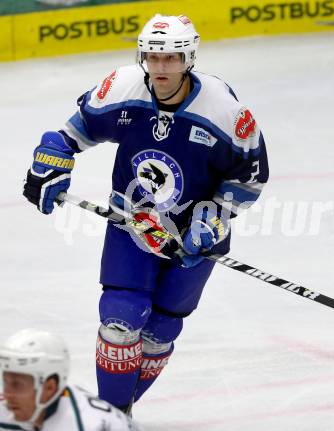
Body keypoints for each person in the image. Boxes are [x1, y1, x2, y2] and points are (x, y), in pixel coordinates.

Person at [23, 13, 269, 412]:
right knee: (120, 322)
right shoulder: (123, 88)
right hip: (133, 224)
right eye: (152, 58)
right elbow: (73, 131)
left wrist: (215, 216)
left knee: (161, 329)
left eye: (170, 58)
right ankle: (114, 416)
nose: (160, 68)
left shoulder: (224, 112)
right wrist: (54, 155)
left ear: (189, 57)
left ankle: (119, 411)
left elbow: (249, 178)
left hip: (196, 230)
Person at [0, 328, 143, 430]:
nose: (7, 394)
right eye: (5, 382)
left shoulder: (90, 424)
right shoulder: (8, 408)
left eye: (17, 385)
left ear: (49, 387)